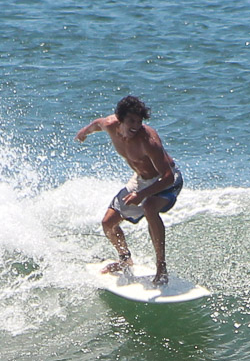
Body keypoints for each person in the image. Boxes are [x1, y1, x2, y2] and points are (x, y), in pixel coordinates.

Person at [76, 95, 182, 286]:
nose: (136, 126)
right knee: (108, 223)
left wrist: (141, 195)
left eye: (139, 121)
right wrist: (84, 132)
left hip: (165, 180)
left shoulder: (148, 141)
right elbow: (95, 125)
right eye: (131, 121)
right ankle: (125, 258)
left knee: (149, 207)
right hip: (141, 180)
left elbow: (168, 176)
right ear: (120, 118)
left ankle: (161, 266)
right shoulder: (109, 125)